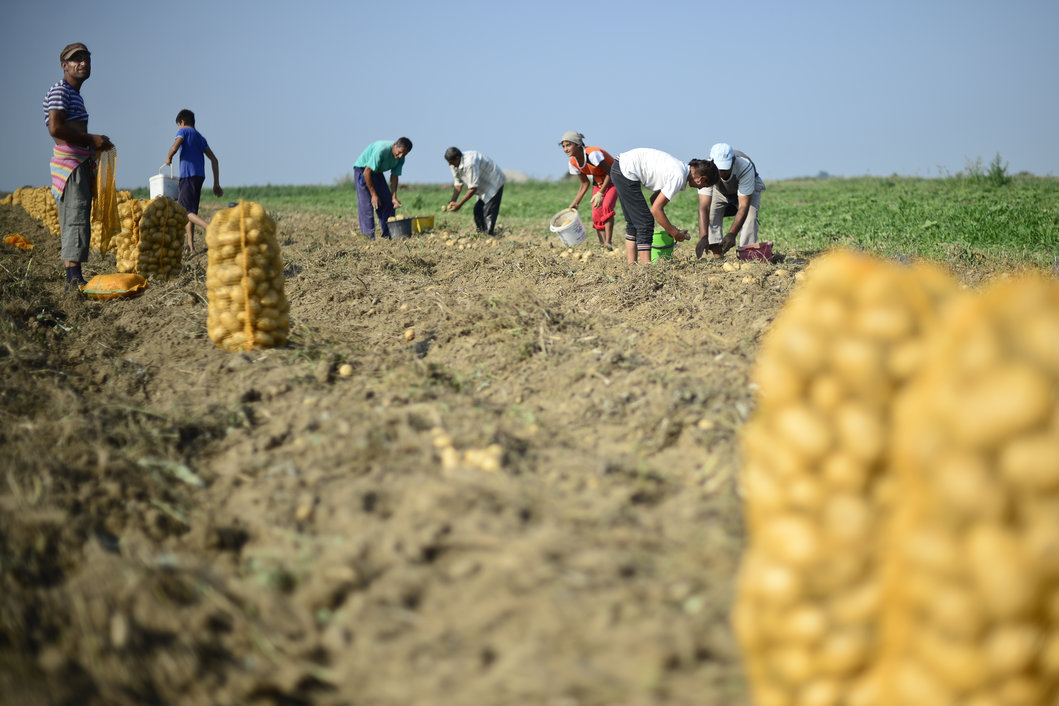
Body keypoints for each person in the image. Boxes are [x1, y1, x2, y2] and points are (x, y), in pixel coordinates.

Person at [43, 42, 113, 290]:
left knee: (78, 217)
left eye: (86, 58)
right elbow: (55, 128)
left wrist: (95, 144)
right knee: (75, 218)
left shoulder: (74, 95)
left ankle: (74, 276)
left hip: (78, 162)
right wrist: (90, 139)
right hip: (70, 165)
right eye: (76, 59)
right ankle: (73, 280)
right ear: (65, 66)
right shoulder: (60, 90)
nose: (83, 63)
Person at [609, 148, 712, 264]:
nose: (700, 188)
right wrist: (674, 233)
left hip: (620, 166)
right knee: (645, 223)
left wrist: (670, 228)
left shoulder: (679, 170)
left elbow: (654, 200)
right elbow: (656, 209)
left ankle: (632, 267)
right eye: (704, 186)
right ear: (700, 179)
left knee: (634, 223)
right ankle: (645, 270)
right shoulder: (678, 175)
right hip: (625, 170)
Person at [694, 143, 766, 259]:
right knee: (712, 213)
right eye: (718, 169)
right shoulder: (705, 170)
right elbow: (704, 207)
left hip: (746, 190)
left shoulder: (745, 167)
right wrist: (703, 236)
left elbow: (743, 206)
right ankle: (718, 254)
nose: (721, 173)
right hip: (719, 190)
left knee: (750, 217)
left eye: (725, 169)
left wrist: (732, 234)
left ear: (733, 161)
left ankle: (747, 255)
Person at [165, 109, 222, 253]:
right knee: (191, 212)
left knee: (184, 211)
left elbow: (176, 145)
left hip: (188, 176)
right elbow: (214, 160)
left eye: (178, 126)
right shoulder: (200, 137)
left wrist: (169, 157)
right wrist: (216, 183)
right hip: (199, 177)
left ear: (182, 123)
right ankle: (191, 247)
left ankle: (210, 227)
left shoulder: (184, 132)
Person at [558, 131, 617, 248]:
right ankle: (603, 245)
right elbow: (584, 183)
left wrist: (601, 193)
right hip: (599, 182)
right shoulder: (573, 163)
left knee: (606, 207)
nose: (565, 149)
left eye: (568, 145)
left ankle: (608, 242)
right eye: (563, 146)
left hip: (614, 179)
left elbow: (610, 172)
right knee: (596, 214)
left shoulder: (593, 154)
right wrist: (575, 203)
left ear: (578, 144)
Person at [353, 137, 412, 240]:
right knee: (367, 205)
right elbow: (367, 172)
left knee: (388, 202)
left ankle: (387, 235)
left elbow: (394, 176)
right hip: (363, 170)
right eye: (399, 152)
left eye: (404, 154)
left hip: (377, 172)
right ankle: (368, 238)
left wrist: (394, 196)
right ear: (394, 145)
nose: (400, 156)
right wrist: (373, 194)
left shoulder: (401, 158)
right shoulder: (382, 150)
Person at [444, 147, 505, 236]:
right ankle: (482, 235)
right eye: (449, 163)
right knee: (477, 210)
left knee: (488, 212)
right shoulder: (453, 164)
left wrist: (460, 204)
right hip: (482, 184)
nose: (450, 165)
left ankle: (489, 236)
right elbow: (458, 184)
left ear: (457, 158)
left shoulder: (470, 163)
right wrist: (453, 201)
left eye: (451, 162)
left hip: (494, 181)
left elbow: (473, 188)